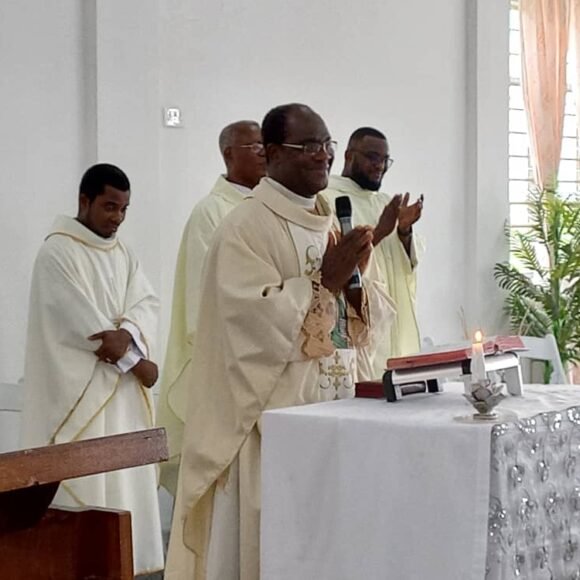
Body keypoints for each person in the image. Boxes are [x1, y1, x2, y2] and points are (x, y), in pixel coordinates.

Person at [164, 104, 394, 580]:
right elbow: (247, 327)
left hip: (331, 412)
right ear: (271, 155)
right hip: (267, 428)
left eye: (327, 145)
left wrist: (356, 284)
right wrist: (324, 283)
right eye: (309, 147)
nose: (323, 157)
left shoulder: (328, 221)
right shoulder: (243, 228)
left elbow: (348, 333)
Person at [20, 163, 164, 575]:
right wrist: (137, 361)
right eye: (109, 206)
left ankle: (126, 564)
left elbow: (145, 305)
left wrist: (130, 334)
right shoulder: (57, 252)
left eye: (123, 209)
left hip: (121, 402)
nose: (117, 217)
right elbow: (92, 331)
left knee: (122, 488)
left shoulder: (124, 253)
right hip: (80, 398)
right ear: (84, 201)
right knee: (84, 496)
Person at [157, 120, 266, 496]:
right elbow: (207, 296)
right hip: (230, 365)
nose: (264, 153)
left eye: (266, 145)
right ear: (228, 154)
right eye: (255, 146)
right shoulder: (211, 212)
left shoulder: (266, 207)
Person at [322, 127, 423, 374]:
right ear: (348, 156)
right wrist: (381, 230)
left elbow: (403, 264)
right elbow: (339, 263)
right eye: (372, 157)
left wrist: (404, 231)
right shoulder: (327, 198)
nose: (379, 166)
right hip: (360, 322)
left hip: (390, 320)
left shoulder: (383, 202)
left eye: (384, 160)